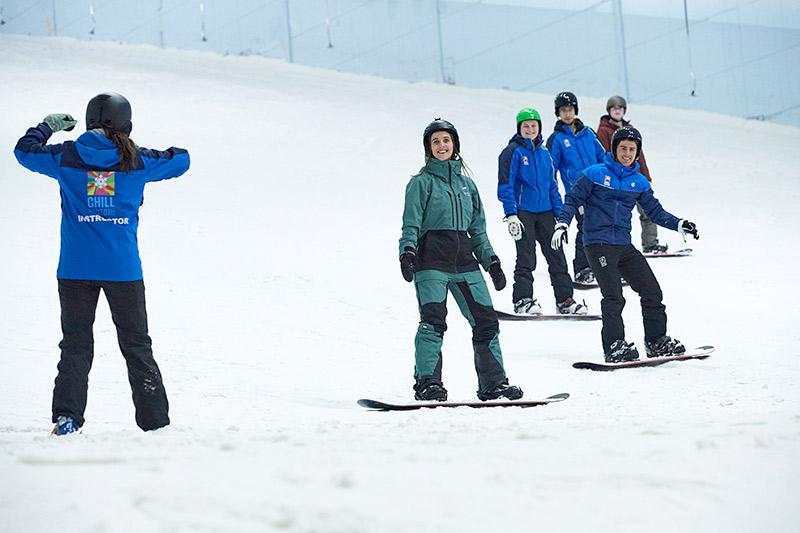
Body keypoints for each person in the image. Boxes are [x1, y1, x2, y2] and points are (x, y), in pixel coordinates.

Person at [13, 92, 190, 434]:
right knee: (137, 344)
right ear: (126, 123)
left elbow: (24, 151)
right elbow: (182, 159)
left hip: (75, 270)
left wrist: (47, 127)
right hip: (123, 271)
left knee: (75, 344)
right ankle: (155, 423)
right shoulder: (138, 161)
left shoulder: (65, 156)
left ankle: (67, 418)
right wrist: (138, 150)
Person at [399, 119, 523, 402]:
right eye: (435, 142)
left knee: (486, 322)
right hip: (431, 262)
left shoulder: (469, 186)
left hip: (466, 263)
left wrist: (491, 262)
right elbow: (411, 224)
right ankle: (428, 383)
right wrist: (407, 251)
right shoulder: (421, 183)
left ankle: (493, 384)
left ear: (454, 144)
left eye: (446, 140)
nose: (442, 145)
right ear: (429, 149)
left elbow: (478, 229)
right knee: (433, 322)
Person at [551, 126, 699, 362]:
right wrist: (562, 224)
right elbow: (572, 200)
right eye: (623, 148)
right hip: (597, 243)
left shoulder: (638, 182)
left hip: (623, 245)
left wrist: (679, 224)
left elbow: (655, 212)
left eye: (632, 149)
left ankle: (656, 340)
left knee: (652, 291)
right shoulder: (594, 174)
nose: (627, 153)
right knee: (614, 296)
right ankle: (614, 346)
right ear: (614, 149)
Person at [497, 107, 586, 315]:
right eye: (525, 126)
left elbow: (552, 187)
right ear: (519, 128)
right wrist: (511, 214)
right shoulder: (512, 152)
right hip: (523, 212)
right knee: (526, 257)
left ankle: (565, 300)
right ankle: (523, 300)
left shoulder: (545, 153)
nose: (530, 129)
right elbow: (505, 185)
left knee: (557, 256)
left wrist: (560, 218)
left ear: (539, 127)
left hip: (546, 212)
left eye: (533, 126)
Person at [546, 91, 606, 286]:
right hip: (578, 192)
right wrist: (553, 195)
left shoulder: (588, 133)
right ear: (558, 113)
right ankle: (582, 269)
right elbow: (551, 169)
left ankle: (604, 267)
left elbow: (603, 158)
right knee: (586, 228)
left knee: (603, 228)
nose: (567, 114)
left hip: (598, 190)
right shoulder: (556, 139)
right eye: (563, 110)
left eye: (570, 109)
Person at [597, 95, 666, 254]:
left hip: (636, 178)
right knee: (617, 215)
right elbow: (606, 155)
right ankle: (612, 246)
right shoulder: (603, 131)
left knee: (647, 210)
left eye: (620, 108)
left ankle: (650, 243)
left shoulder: (630, 130)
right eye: (614, 108)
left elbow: (639, 156)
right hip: (619, 180)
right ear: (609, 111)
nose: (617, 111)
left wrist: (646, 176)